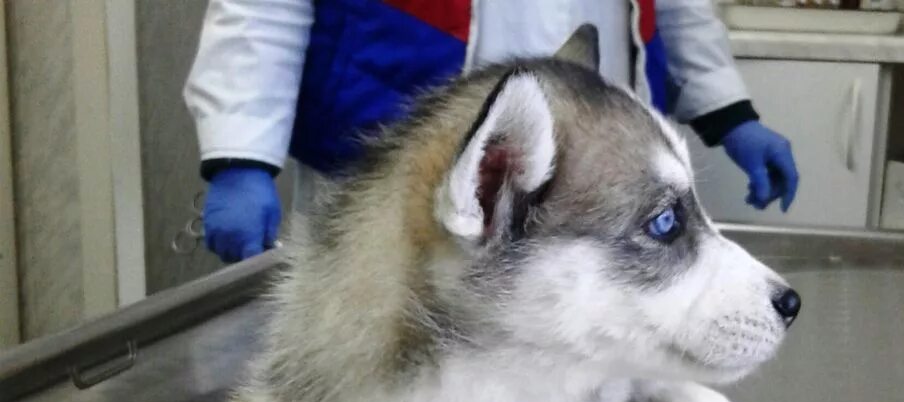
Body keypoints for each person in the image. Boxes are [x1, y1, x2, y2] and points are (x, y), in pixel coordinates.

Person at [186, 0, 799, 263]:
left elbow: (676, 5)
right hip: (396, 158)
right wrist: (241, 153)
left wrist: (730, 112)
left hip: (594, 168)